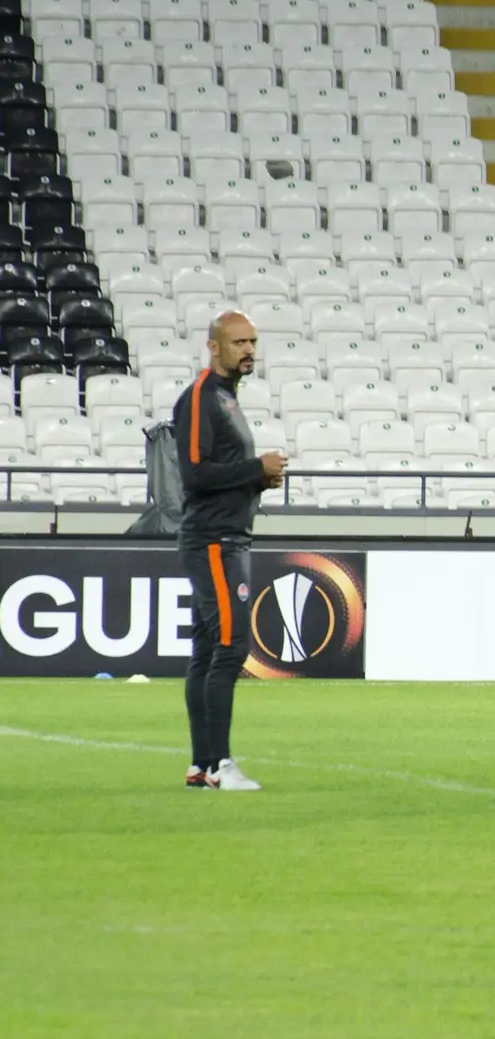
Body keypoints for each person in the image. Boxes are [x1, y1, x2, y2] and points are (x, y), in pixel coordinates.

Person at [174, 311, 286, 791]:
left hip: (226, 536)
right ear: (214, 347)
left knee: (206, 650)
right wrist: (254, 468)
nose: (248, 350)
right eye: (238, 342)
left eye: (252, 342)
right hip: (216, 541)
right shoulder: (201, 398)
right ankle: (220, 765)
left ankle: (202, 765)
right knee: (229, 647)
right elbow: (195, 474)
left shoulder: (226, 400)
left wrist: (258, 476)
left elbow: (218, 470)